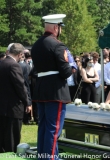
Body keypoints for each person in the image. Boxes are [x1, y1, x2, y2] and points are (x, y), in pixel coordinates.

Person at [31, 14, 73, 159]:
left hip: (41, 89)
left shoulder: (36, 45)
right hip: (56, 90)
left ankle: (42, 156)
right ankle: (51, 157)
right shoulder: (58, 45)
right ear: (56, 27)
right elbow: (66, 71)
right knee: (54, 129)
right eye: (60, 27)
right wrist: (73, 68)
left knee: (43, 126)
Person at [0, 43, 32, 153]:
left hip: (2, 107)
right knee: (12, 139)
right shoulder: (14, 66)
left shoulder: (2, 63)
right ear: (20, 54)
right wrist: (27, 102)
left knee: (2, 138)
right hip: (13, 108)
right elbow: (20, 86)